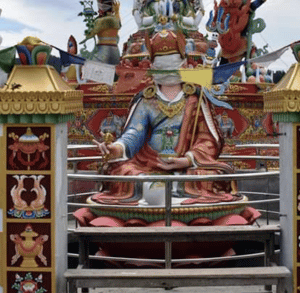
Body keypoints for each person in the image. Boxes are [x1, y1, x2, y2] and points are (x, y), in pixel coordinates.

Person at [92, 28, 239, 205]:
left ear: (184, 65)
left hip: (186, 167)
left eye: (173, 67)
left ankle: (164, 192)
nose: (168, 73)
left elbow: (207, 138)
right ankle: (163, 192)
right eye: (162, 68)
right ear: (152, 68)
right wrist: (115, 148)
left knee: (216, 175)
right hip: (148, 165)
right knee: (120, 172)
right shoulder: (147, 99)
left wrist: (188, 159)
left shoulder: (194, 99)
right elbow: (134, 133)